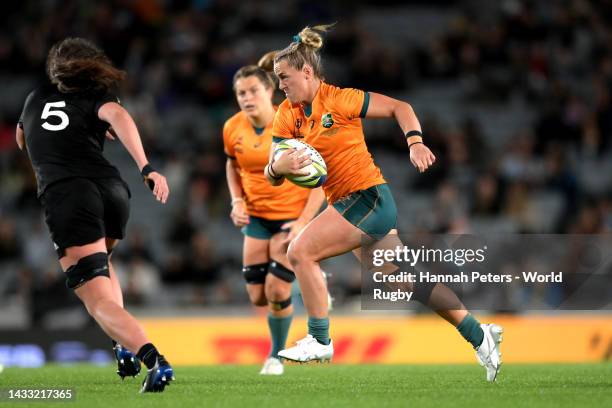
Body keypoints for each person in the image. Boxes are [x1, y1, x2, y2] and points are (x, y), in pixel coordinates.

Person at [264, 25, 503, 381]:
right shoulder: (288, 113)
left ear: (308, 72)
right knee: (405, 281)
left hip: (369, 198)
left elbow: (399, 107)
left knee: (299, 252)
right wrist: (277, 166)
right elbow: (272, 169)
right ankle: (478, 335)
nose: (281, 85)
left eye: (285, 77)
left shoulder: (340, 99)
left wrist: (415, 143)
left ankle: (319, 338)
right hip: (347, 204)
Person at [16, 38, 174, 393]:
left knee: (97, 301)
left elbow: (20, 138)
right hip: (113, 190)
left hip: (69, 195)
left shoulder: (35, 98)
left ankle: (154, 360)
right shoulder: (98, 95)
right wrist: (147, 167)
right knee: (104, 263)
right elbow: (118, 117)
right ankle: (122, 345)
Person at [224, 53, 325, 375]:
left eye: (253, 90)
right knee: (257, 297)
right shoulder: (232, 128)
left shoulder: (294, 123)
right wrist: (236, 201)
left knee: (277, 290)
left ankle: (274, 357)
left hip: (290, 219)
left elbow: (321, 180)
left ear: (270, 91)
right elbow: (231, 163)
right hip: (256, 219)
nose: (247, 98)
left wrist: (303, 221)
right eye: (241, 93)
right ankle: (313, 281)